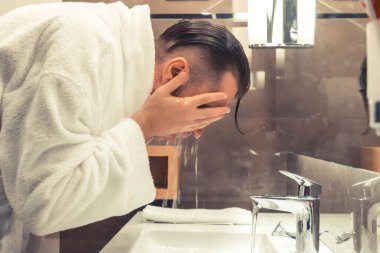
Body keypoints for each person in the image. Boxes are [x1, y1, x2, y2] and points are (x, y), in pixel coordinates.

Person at [0, 1, 250, 252]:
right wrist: (147, 124)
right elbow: (47, 204)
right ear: (175, 73)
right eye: (204, 110)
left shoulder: (103, 55)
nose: (198, 132)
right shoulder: (80, 47)